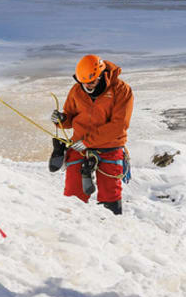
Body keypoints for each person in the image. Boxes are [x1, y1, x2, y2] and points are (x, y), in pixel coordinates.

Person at [51, 54, 133, 216]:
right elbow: (70, 117)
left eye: (92, 82)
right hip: (80, 145)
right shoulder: (76, 91)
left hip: (110, 147)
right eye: (84, 83)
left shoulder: (121, 90)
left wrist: (89, 141)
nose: (88, 86)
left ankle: (111, 226)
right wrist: (61, 119)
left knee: (110, 193)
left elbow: (119, 126)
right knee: (73, 192)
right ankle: (74, 224)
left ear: (102, 75)